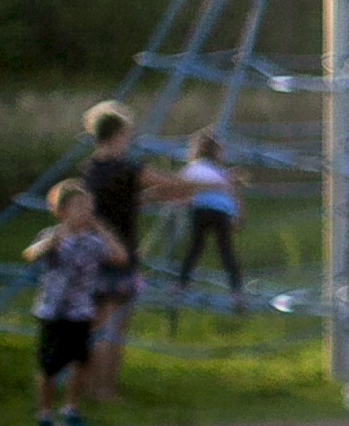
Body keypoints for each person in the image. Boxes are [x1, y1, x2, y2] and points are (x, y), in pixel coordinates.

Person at [75, 104, 192, 404]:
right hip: (118, 257)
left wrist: (147, 199)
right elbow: (172, 184)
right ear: (118, 134)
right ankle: (104, 391)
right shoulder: (126, 168)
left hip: (93, 255)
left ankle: (88, 389)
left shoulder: (93, 170)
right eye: (126, 133)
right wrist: (216, 181)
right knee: (112, 327)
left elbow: (116, 203)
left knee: (97, 325)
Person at [26, 180, 125, 426]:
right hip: (53, 311)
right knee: (49, 368)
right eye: (78, 206)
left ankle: (70, 411)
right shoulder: (52, 236)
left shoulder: (93, 241)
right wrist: (53, 240)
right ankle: (44, 417)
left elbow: (119, 256)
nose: (85, 211)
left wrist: (101, 228)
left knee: (81, 361)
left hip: (80, 311)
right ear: (62, 211)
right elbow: (31, 254)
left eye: (88, 206)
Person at [169, 131, 242, 303]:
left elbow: (182, 188)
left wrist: (183, 201)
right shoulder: (220, 172)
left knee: (195, 246)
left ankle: (181, 284)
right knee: (226, 251)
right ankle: (236, 292)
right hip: (222, 212)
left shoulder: (194, 167)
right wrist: (235, 215)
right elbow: (232, 195)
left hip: (201, 210)